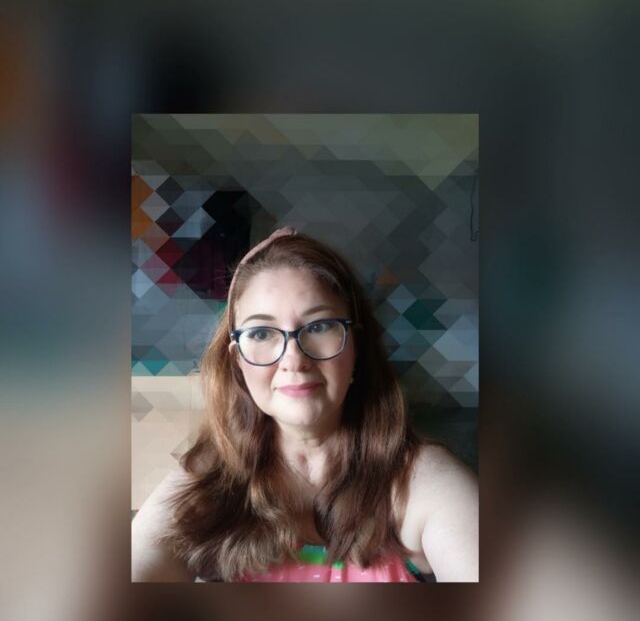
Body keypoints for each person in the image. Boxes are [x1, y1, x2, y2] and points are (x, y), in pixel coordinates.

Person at [132, 227, 478, 582]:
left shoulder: (421, 481)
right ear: (238, 361)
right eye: (261, 333)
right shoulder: (208, 481)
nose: (294, 359)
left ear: (355, 348)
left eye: (319, 326)